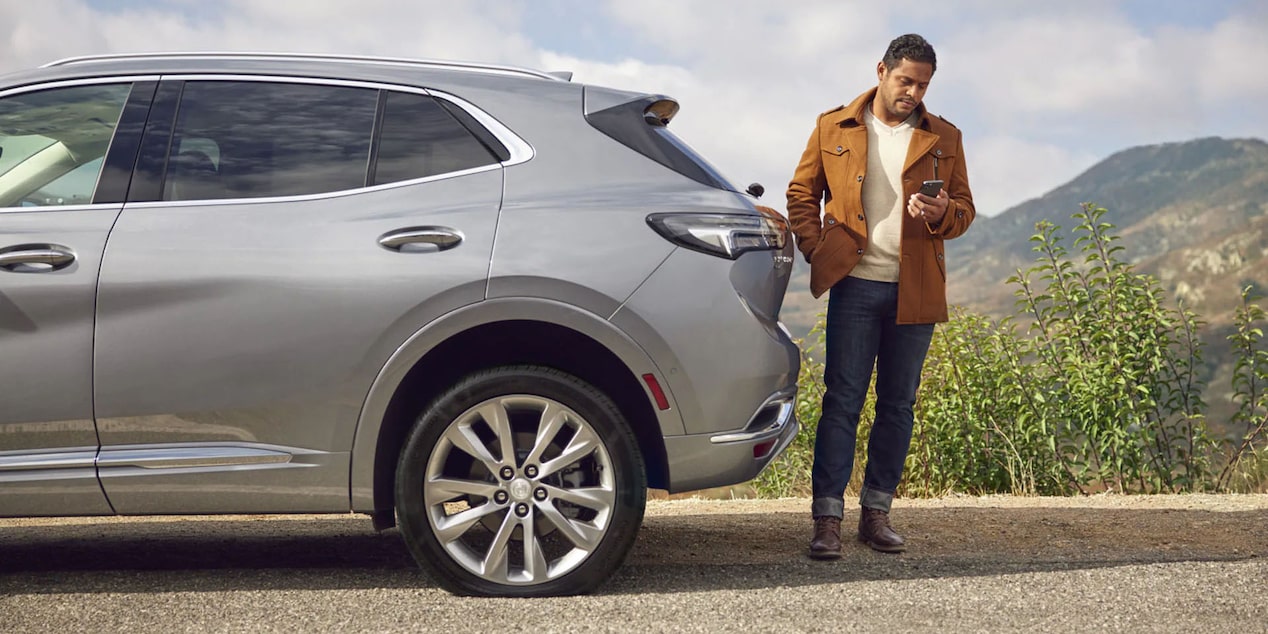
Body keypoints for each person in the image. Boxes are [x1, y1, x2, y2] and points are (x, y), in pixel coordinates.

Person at [785, 33, 975, 559]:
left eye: (922, 85)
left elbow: (964, 209)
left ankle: (876, 513)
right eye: (905, 80)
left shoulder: (946, 137)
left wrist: (944, 215)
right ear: (881, 71)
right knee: (841, 402)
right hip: (855, 285)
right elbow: (802, 194)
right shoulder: (834, 126)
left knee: (897, 405)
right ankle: (827, 521)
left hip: (915, 291)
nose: (913, 92)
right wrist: (814, 246)